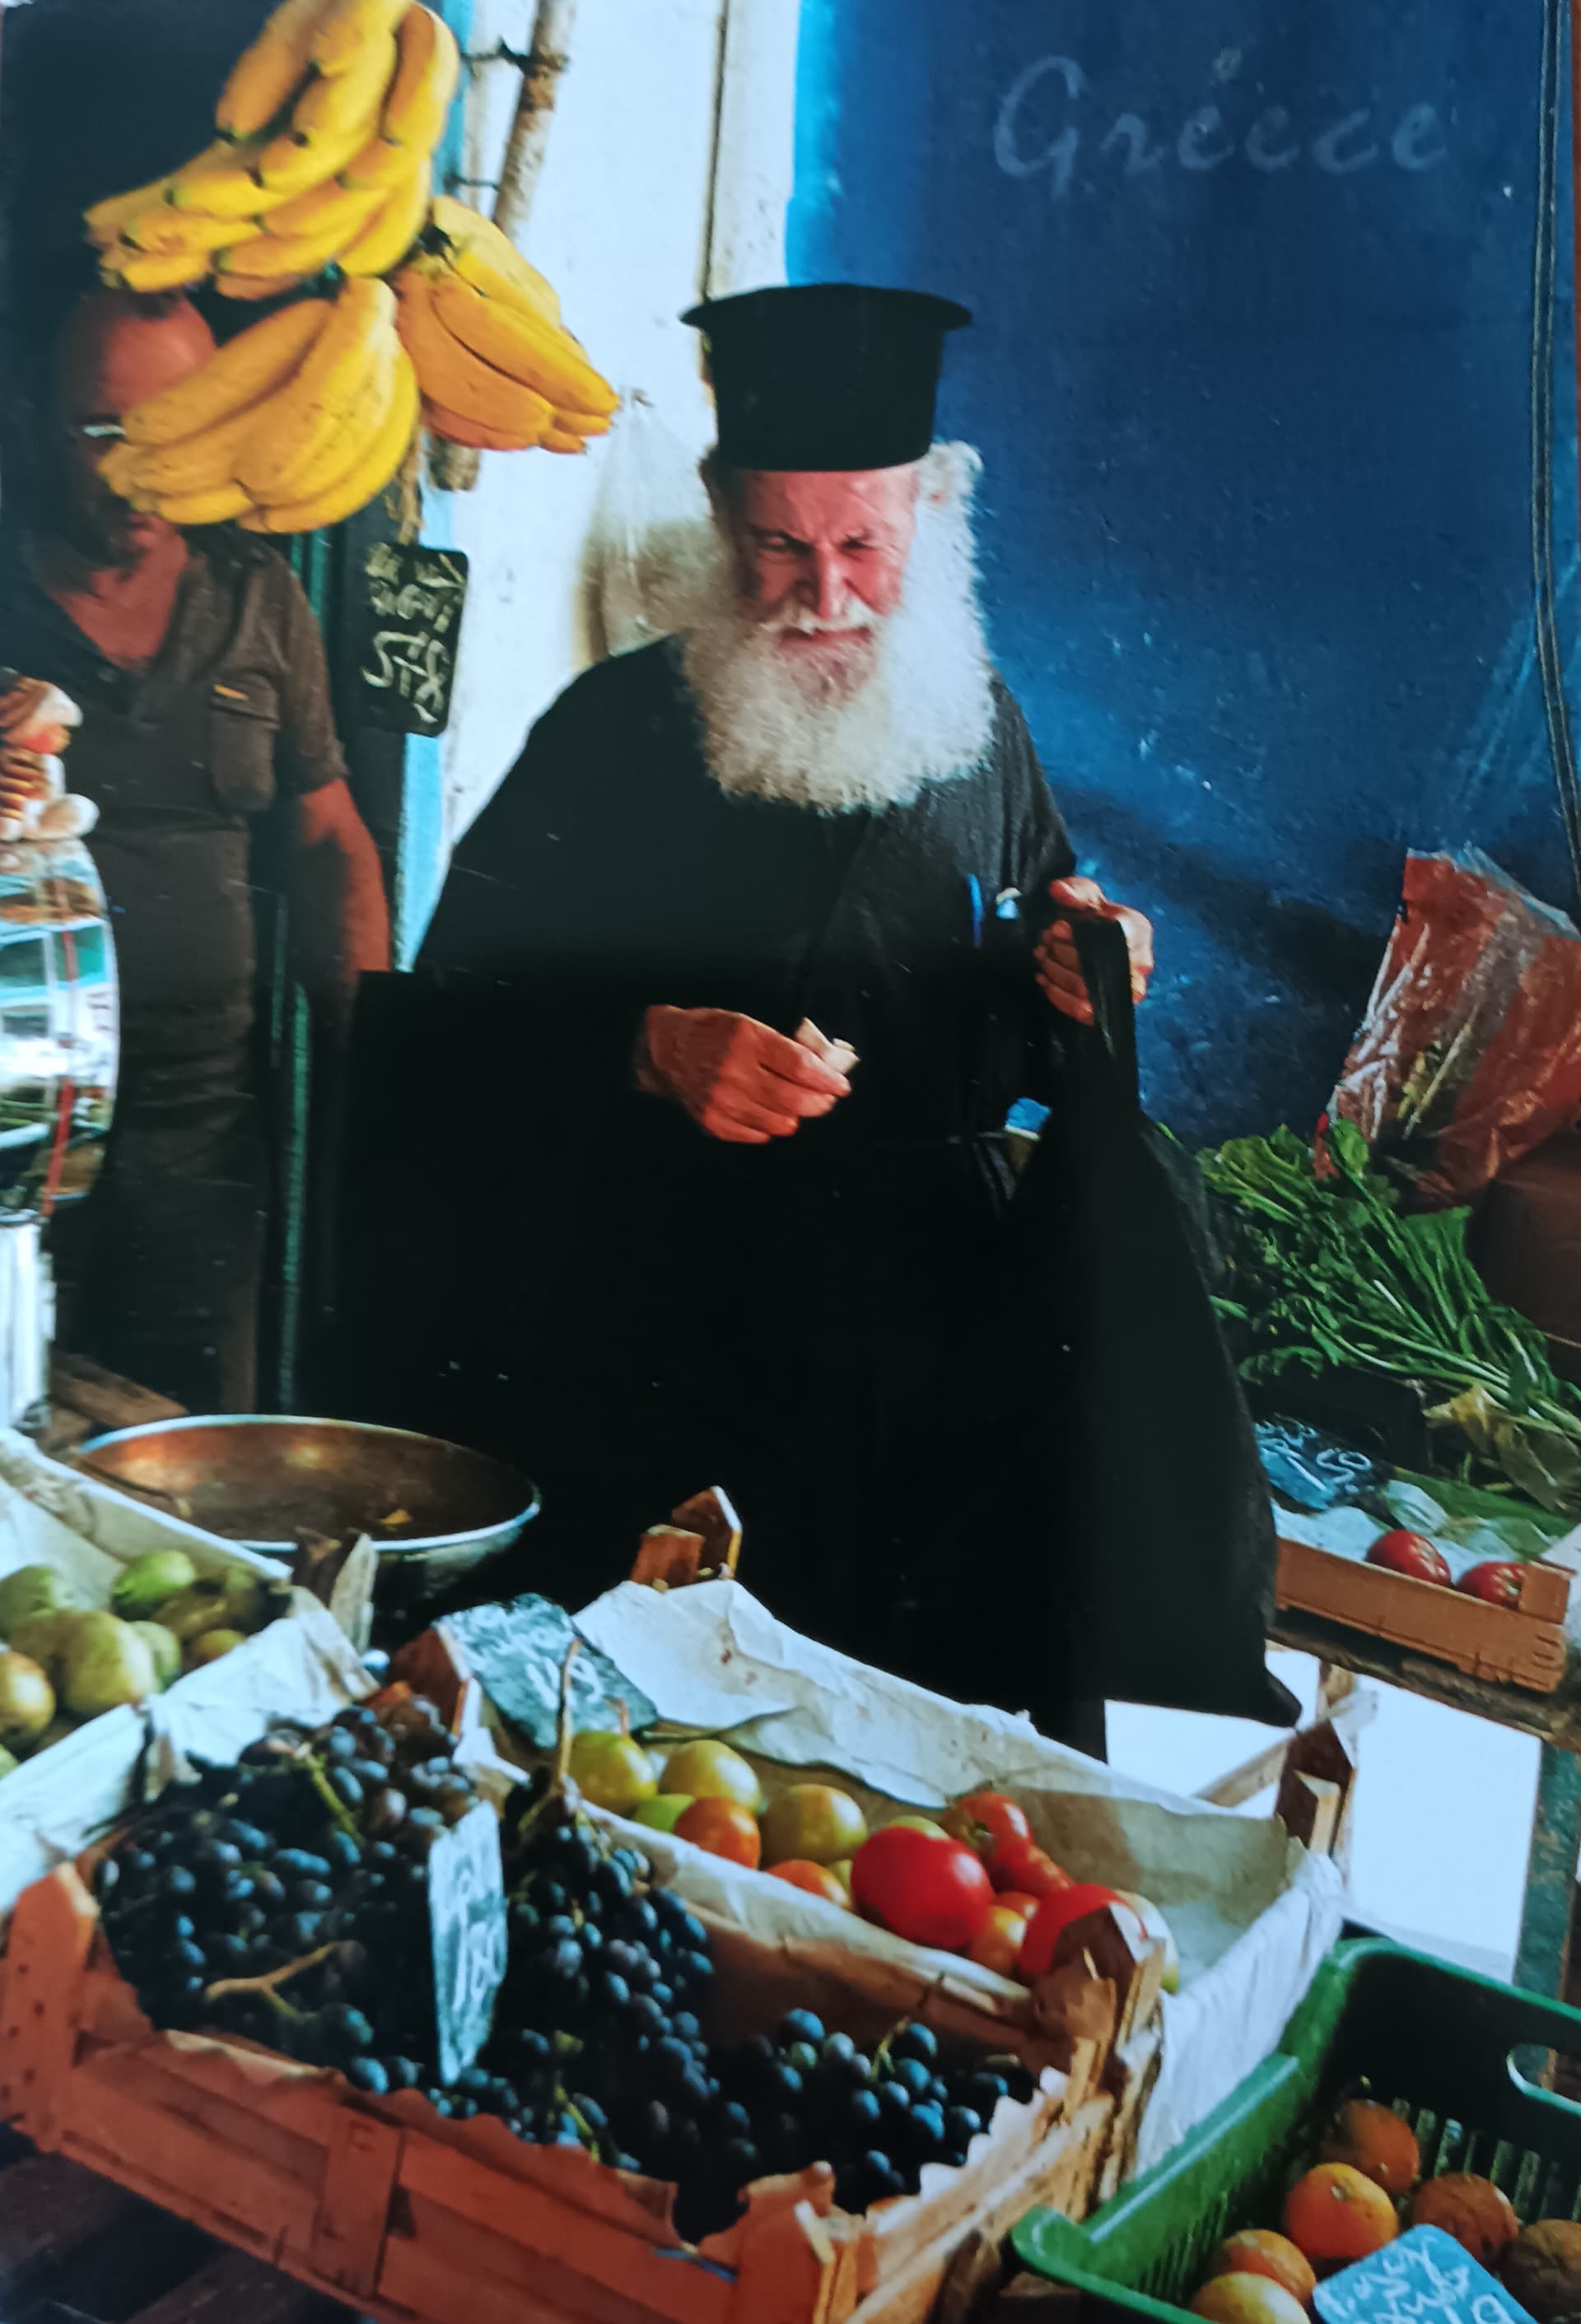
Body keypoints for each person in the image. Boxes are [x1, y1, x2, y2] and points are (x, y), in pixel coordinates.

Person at [346, 282, 1154, 1669]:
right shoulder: (608, 737)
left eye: (862, 545)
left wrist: (1082, 976)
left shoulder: (979, 729)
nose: (824, 595)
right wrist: (643, 1048)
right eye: (781, 545)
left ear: (929, 516)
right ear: (723, 516)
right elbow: (438, 1036)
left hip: (918, 1382)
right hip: (654, 1368)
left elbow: (1019, 992)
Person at [0, 286, 389, 1412]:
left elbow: (329, 841)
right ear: (38, 424)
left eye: (172, 428)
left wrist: (379, 1063)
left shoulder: (259, 598)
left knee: (179, 1449)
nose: (137, 470)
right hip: (14, 1119)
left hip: (200, 1138)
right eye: (103, 430)